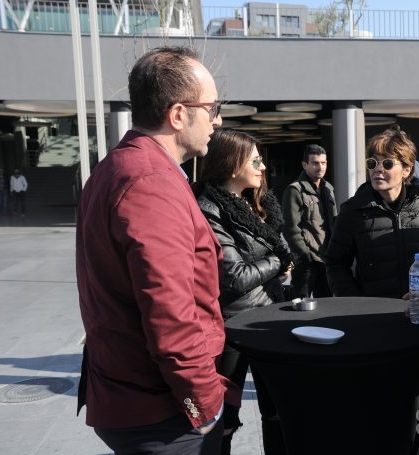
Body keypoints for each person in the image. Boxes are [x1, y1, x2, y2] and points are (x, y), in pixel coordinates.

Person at [75, 46, 240, 455]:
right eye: (212, 106)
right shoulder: (150, 183)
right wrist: (203, 406)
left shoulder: (123, 166)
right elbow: (171, 317)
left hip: (135, 395)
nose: (218, 119)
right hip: (159, 413)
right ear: (179, 114)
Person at [324, 124, 419, 455]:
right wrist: (356, 305)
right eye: (372, 163)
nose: (377, 170)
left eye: (386, 163)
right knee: (380, 425)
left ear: (407, 168)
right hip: (377, 330)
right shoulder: (354, 210)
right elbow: (335, 263)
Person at [193, 129, 293, 455]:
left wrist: (278, 265)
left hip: (268, 318)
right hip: (232, 328)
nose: (262, 167)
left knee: (278, 411)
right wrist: (279, 261)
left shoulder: (253, 203)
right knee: (225, 420)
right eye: (255, 160)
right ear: (232, 165)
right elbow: (234, 277)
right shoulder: (210, 208)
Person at [282, 144, 337, 298]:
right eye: (315, 163)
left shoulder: (328, 189)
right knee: (300, 303)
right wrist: (305, 254)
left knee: (327, 305)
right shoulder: (295, 190)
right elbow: (291, 228)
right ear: (304, 165)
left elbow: (334, 223)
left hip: (326, 258)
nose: (320, 167)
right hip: (307, 260)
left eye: (323, 163)